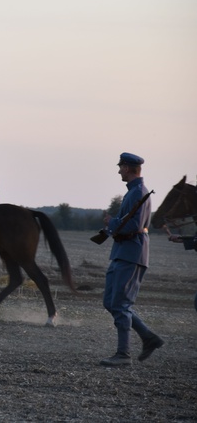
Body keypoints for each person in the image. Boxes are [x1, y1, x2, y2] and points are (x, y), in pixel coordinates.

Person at [100, 152, 164, 367]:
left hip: (131, 254)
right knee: (110, 302)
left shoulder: (138, 193)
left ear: (127, 168)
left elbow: (133, 226)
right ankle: (148, 337)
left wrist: (111, 223)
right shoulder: (133, 193)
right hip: (123, 253)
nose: (119, 170)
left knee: (120, 303)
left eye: (121, 167)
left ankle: (123, 354)